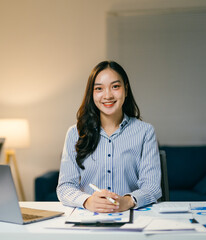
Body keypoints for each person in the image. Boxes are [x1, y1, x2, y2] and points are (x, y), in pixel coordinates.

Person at [56, 60, 161, 213]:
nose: (108, 95)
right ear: (92, 94)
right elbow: (65, 187)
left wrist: (128, 201)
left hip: (131, 216)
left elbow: (152, 187)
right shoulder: (75, 133)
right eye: (99, 88)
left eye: (115, 87)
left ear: (125, 89)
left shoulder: (145, 132)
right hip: (88, 218)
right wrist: (87, 201)